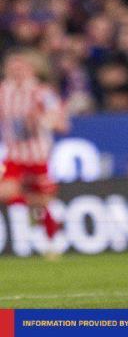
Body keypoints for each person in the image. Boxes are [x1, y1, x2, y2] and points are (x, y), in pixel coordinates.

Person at [0, 48, 69, 248]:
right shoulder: (3, 92)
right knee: (5, 193)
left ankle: (51, 235)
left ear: (31, 70)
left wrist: (42, 120)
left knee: (45, 200)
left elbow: (62, 123)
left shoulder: (42, 92)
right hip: (14, 156)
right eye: (12, 69)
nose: (16, 73)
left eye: (20, 68)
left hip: (38, 156)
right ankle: (36, 208)